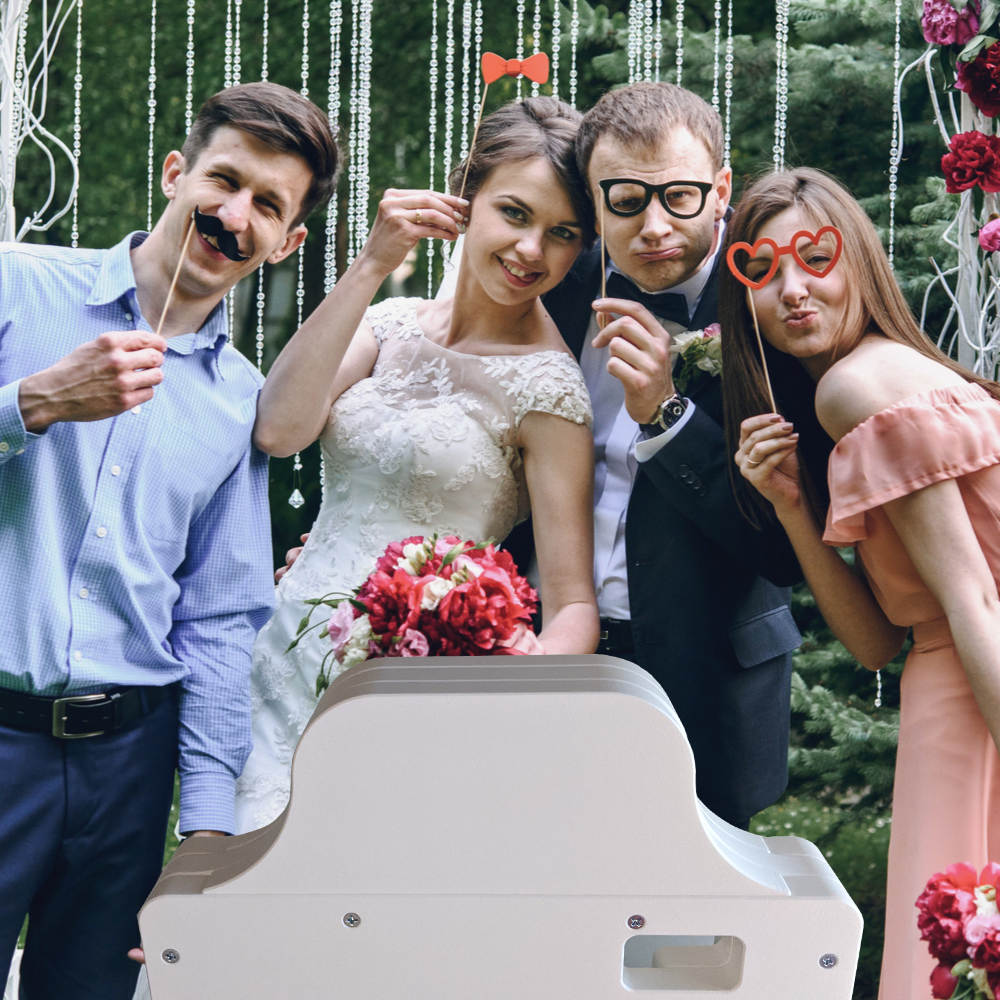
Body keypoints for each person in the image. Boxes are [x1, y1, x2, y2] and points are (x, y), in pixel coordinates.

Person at [0, 82, 339, 1000]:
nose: (234, 216)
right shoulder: (14, 285)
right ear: (175, 171)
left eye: (267, 206)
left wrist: (208, 831)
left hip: (129, 773)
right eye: (223, 182)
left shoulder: (240, 403)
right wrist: (32, 403)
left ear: (287, 243)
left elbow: (221, 620)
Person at [234, 97, 600, 834]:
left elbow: (571, 603)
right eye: (515, 213)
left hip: (416, 692)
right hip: (279, 663)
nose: (534, 250)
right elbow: (279, 428)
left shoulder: (550, 389)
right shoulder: (388, 328)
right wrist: (374, 264)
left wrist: (499, 692)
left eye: (563, 233)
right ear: (463, 199)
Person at [721, 166, 1000, 999]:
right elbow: (883, 642)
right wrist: (793, 508)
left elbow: (971, 600)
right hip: (948, 680)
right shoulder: (869, 388)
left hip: (976, 699)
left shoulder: (855, 388)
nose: (793, 290)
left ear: (862, 262)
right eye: (763, 271)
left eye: (815, 256)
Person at [532, 82, 805, 830]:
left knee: (684, 935)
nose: (654, 226)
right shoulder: (552, 288)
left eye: (680, 197)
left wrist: (666, 413)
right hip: (541, 660)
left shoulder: (776, 307)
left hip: (706, 677)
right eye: (624, 199)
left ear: (721, 189)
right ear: (591, 203)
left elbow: (787, 549)